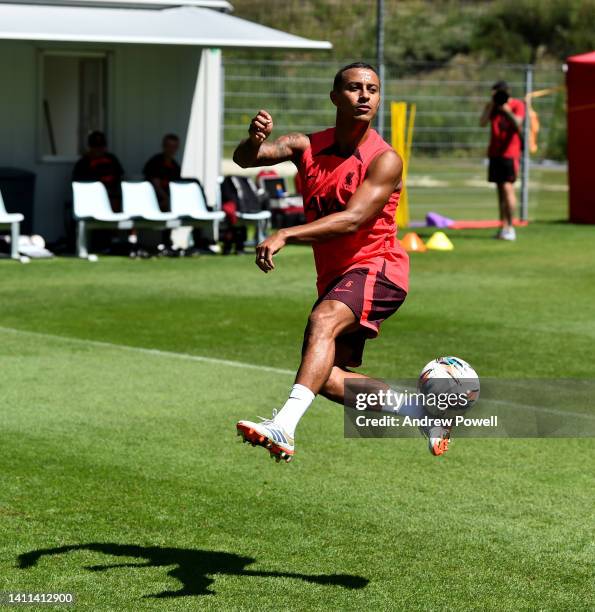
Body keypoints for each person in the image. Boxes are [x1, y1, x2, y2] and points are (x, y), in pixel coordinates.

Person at [233, 62, 451, 462]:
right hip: (335, 278)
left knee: (322, 322)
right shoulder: (306, 146)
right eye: (354, 88)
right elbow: (249, 159)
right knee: (329, 378)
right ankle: (423, 413)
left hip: (378, 267)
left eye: (372, 88)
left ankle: (284, 426)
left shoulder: (385, 159)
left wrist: (285, 233)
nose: (365, 95)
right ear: (335, 97)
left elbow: (352, 218)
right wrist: (253, 139)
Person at [480, 80, 525, 241]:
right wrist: (492, 105)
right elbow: (482, 123)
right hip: (495, 153)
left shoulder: (517, 105)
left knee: (508, 188)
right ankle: (503, 226)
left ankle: (511, 227)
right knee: (500, 192)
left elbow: (518, 123)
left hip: (510, 154)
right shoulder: (493, 106)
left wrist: (505, 110)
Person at [73, 131, 124, 212]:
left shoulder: (112, 159)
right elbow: (79, 185)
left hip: (111, 196)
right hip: (91, 198)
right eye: (95, 146)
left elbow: (119, 177)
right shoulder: (83, 163)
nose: (99, 149)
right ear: (90, 147)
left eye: (101, 145)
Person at [143, 134, 181, 212]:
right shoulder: (155, 162)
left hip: (169, 199)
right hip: (153, 198)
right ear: (163, 146)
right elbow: (156, 185)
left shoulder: (175, 166)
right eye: (169, 146)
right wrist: (168, 199)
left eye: (174, 147)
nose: (171, 149)